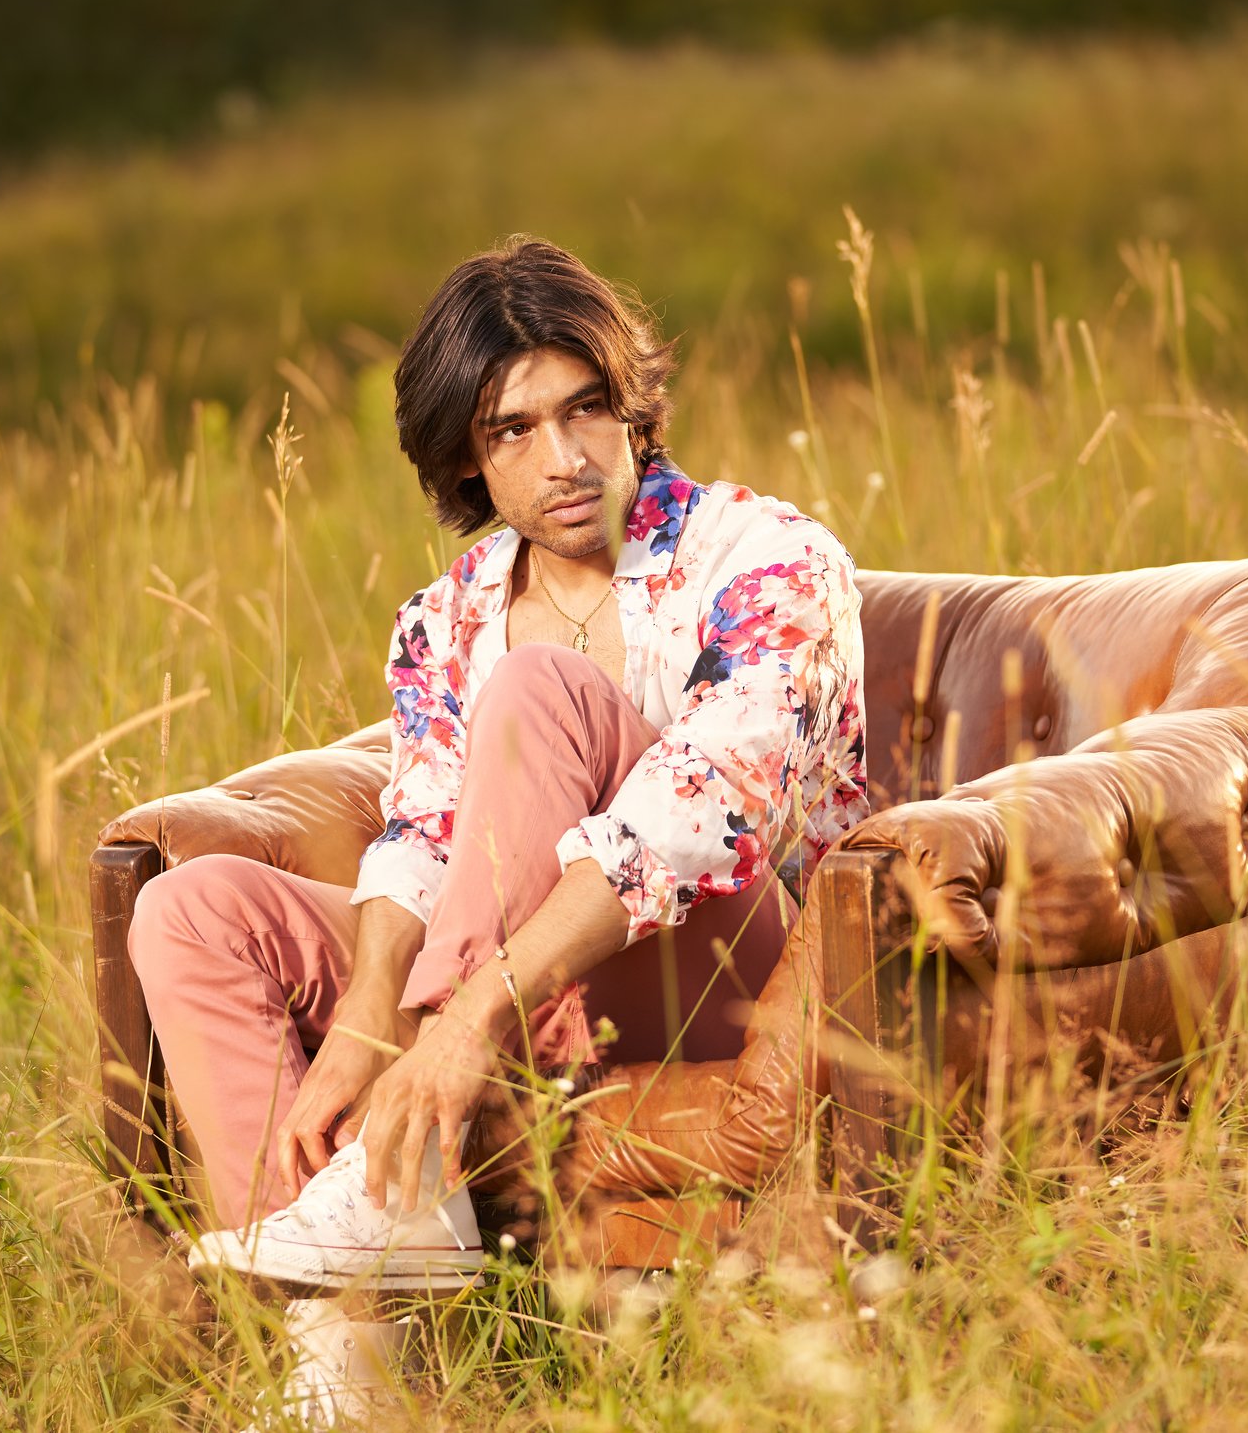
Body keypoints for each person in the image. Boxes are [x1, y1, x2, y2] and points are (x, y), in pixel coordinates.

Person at [127, 236, 867, 1288]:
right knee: (191, 908)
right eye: (512, 427)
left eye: (586, 407)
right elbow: (430, 828)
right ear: (464, 455)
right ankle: (338, 1337)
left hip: (715, 972)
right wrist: (368, 1009)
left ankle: (405, 1188)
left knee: (536, 691)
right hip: (511, 968)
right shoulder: (446, 617)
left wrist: (457, 1024)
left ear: (632, 408)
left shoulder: (766, 556)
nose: (564, 456)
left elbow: (707, 813)